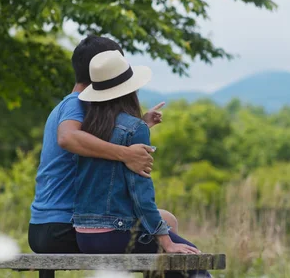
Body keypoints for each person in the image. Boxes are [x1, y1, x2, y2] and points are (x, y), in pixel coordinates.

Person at [28, 36, 177, 254]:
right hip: (65, 226)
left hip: (43, 226)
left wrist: (140, 126)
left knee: (164, 220)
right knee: (165, 225)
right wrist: (126, 154)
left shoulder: (66, 104)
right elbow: (67, 138)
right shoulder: (77, 103)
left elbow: (93, 141)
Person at [72, 50, 210, 278]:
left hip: (84, 236)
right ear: (130, 89)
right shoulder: (134, 129)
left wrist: (141, 126)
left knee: (168, 265)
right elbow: (141, 194)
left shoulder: (87, 129)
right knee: (193, 262)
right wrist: (166, 241)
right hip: (114, 234)